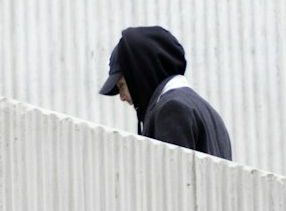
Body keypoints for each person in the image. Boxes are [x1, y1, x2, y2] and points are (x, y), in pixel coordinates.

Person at [99, 25, 232, 160]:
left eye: (121, 85)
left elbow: (172, 178)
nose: (121, 97)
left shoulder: (172, 110)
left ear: (139, 74)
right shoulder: (213, 117)